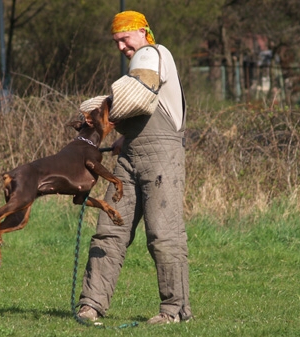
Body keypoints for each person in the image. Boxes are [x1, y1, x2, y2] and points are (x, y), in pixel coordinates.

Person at [76, 10, 192, 325]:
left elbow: (137, 95)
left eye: (124, 39)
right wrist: (121, 139)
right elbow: (137, 106)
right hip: (128, 158)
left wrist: (99, 112)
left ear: (141, 31)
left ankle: (174, 310)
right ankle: (91, 305)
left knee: (163, 233)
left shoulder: (153, 54)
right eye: (116, 42)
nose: (121, 47)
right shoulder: (138, 65)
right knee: (109, 230)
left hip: (162, 158)